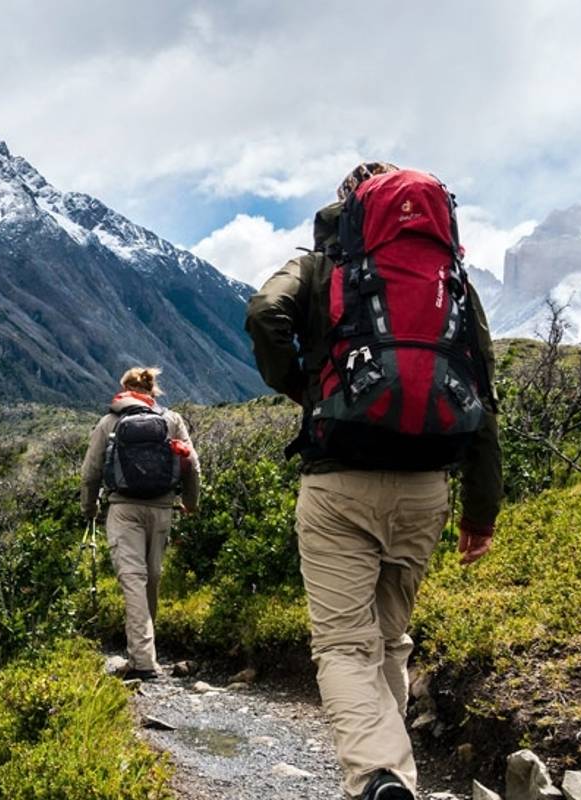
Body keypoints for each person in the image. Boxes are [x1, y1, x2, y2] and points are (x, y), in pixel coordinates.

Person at [245, 162, 503, 800]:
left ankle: (379, 776)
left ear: (350, 209)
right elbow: (481, 393)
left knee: (342, 645)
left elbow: (262, 314)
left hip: (339, 483)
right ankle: (395, 777)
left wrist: (304, 386)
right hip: (426, 487)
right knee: (390, 636)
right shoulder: (453, 283)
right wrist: (481, 512)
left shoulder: (321, 267)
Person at [80, 366, 200, 681]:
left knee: (133, 579)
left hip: (123, 509)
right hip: (162, 509)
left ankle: (143, 661)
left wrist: (90, 507)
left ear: (124, 389)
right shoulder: (171, 420)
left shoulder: (109, 422)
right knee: (152, 578)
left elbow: (91, 472)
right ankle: (144, 652)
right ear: (153, 391)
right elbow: (192, 464)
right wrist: (190, 502)